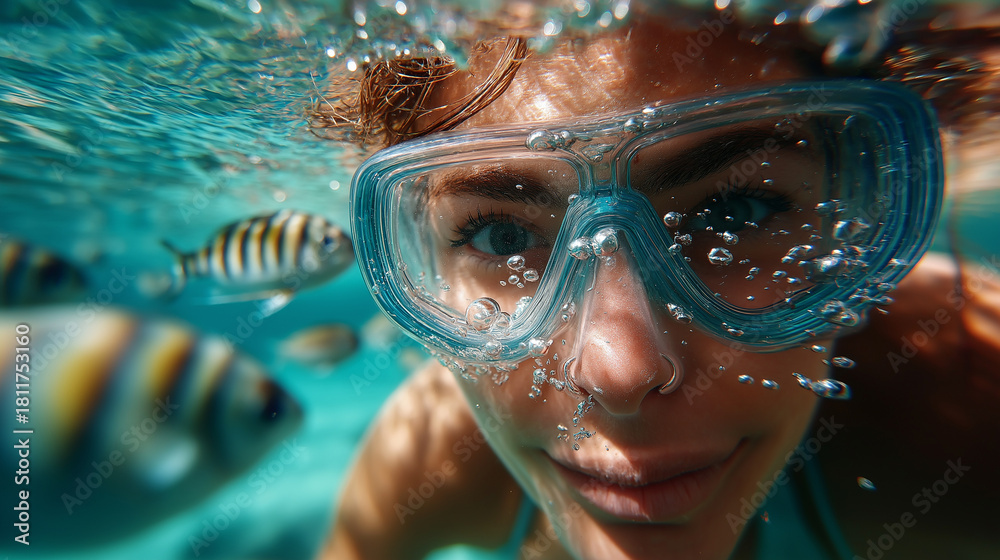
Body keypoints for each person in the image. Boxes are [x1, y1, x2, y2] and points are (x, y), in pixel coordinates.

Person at [314, 2, 1000, 559]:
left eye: (735, 211)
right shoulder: (431, 463)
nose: (621, 372)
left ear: (855, 220)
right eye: (505, 237)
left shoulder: (968, 406)